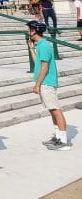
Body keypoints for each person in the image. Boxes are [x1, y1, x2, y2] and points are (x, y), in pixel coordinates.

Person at [28, 20, 72, 150]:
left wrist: (37, 85)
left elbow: (44, 68)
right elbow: (38, 62)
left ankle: (64, 141)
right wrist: (31, 48)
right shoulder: (40, 45)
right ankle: (58, 137)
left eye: (29, 29)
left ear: (34, 30)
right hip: (44, 83)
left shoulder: (44, 46)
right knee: (51, 110)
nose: (28, 32)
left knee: (56, 110)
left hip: (47, 83)